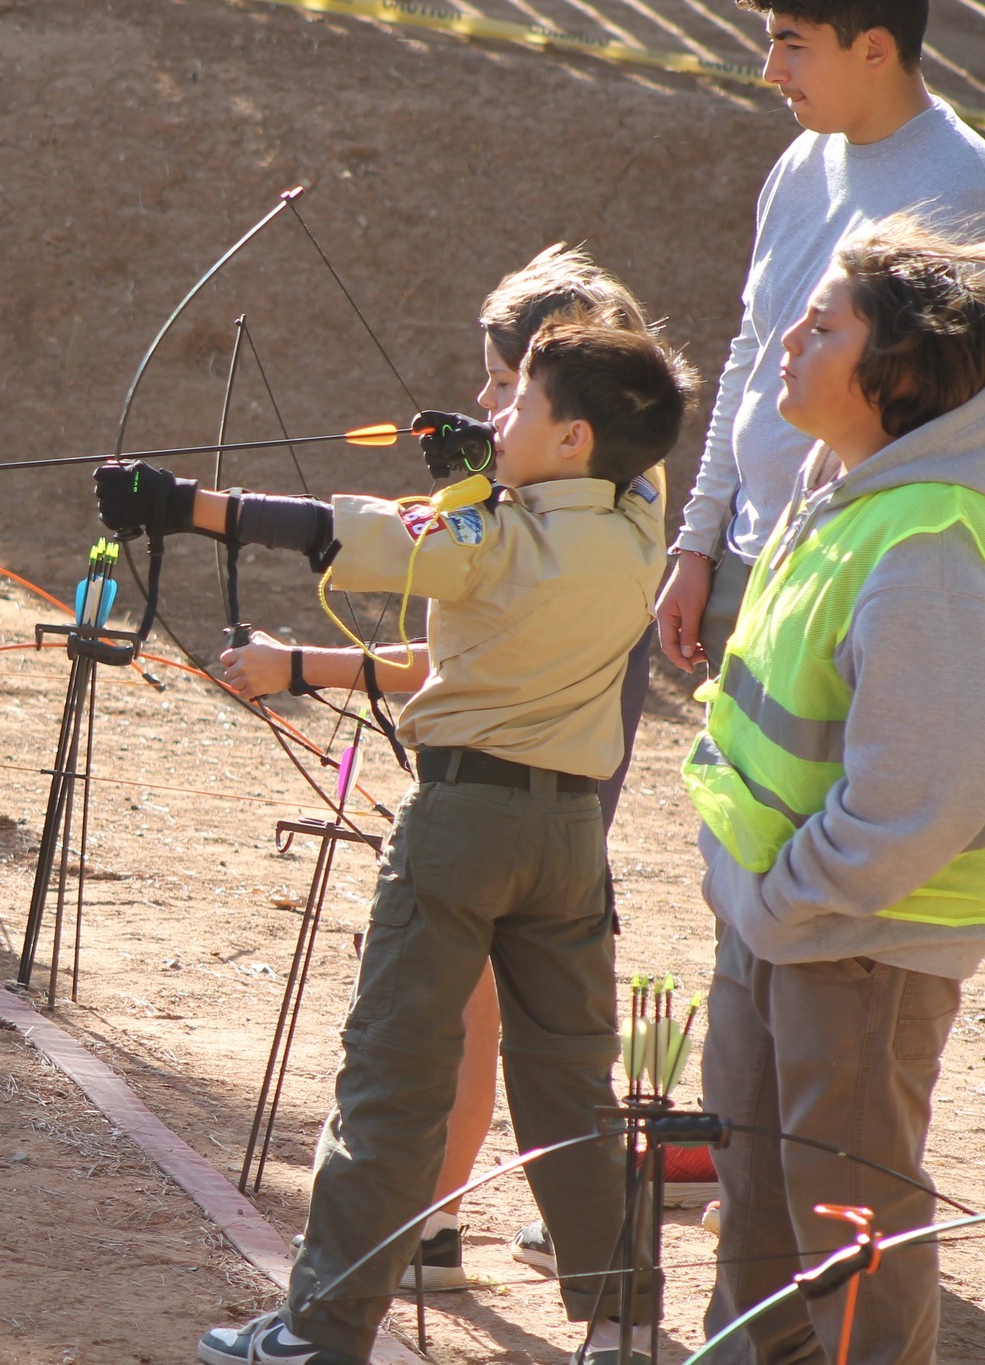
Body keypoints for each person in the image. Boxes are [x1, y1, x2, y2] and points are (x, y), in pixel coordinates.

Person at [94, 320, 697, 1365]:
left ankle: (318, 1333)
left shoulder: (490, 540)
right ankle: (622, 1323)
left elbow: (355, 533)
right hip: (565, 839)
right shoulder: (639, 523)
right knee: (569, 1082)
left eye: (521, 405)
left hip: (462, 826)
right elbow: (595, 486)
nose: (496, 414)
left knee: (391, 1079)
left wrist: (187, 508)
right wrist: (493, 463)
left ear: (572, 439)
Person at [225, 246, 700, 1292]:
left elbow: (441, 631)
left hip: (512, 798)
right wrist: (479, 474)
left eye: (505, 385)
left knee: (456, 1032)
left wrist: (288, 639)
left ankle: (408, 1245)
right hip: (542, 808)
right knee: (532, 1052)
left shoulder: (581, 511)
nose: (483, 404)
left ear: (572, 415)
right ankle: (586, 1285)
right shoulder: (598, 499)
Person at [686, 215, 985, 1364]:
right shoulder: (844, 495)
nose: (785, 342)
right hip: (777, 921)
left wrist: (782, 899)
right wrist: (751, 900)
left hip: (854, 943)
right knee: (754, 1210)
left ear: (897, 369)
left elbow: (922, 800)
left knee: (846, 1237)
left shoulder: (925, 544)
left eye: (820, 326)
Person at [655, 0, 985, 679]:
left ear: (872, 48)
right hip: (748, 557)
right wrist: (697, 545)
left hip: (863, 576)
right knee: (727, 786)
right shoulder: (799, 162)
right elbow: (750, 354)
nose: (772, 70)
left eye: (792, 44)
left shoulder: (970, 192)